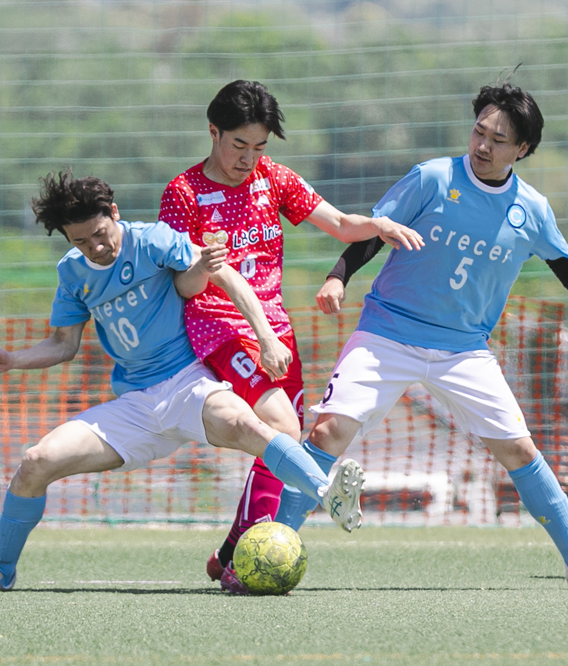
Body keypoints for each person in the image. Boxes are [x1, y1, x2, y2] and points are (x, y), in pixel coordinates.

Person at [0, 172, 364, 591]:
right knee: (35, 462)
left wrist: (265, 339)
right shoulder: (72, 273)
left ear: (115, 213)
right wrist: (12, 360)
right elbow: (64, 344)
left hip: (187, 386)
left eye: (100, 234)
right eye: (81, 241)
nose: (96, 247)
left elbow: (224, 274)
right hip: (135, 406)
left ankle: (328, 494)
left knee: (253, 426)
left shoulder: (152, 239)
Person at [297, 79, 568, 589]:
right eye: (479, 131)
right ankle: (271, 547)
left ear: (522, 149)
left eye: (498, 139)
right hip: (388, 333)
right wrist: (336, 277)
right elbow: (375, 230)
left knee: (521, 452)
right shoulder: (433, 178)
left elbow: (564, 261)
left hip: (463, 351)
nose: (482, 145)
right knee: (326, 434)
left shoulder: (532, 209)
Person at [157, 80, 423, 592]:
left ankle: (230, 552)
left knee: (283, 442)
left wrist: (379, 224)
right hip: (221, 328)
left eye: (259, 147)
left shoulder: (274, 179)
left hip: (277, 331)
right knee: (279, 426)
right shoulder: (184, 193)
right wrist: (208, 270)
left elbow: (343, 224)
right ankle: (251, 559)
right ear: (213, 133)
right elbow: (184, 284)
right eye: (239, 145)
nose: (249, 158)